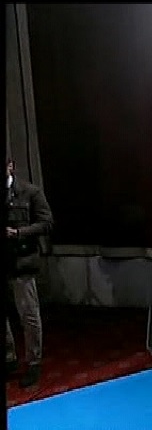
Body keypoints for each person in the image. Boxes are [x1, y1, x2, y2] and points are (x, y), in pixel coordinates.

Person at [5, 158, 54, 388]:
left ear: (10, 166)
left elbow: (47, 223)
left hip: (21, 261)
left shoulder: (30, 192)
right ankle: (9, 358)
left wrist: (18, 233)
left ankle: (33, 362)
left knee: (28, 315)